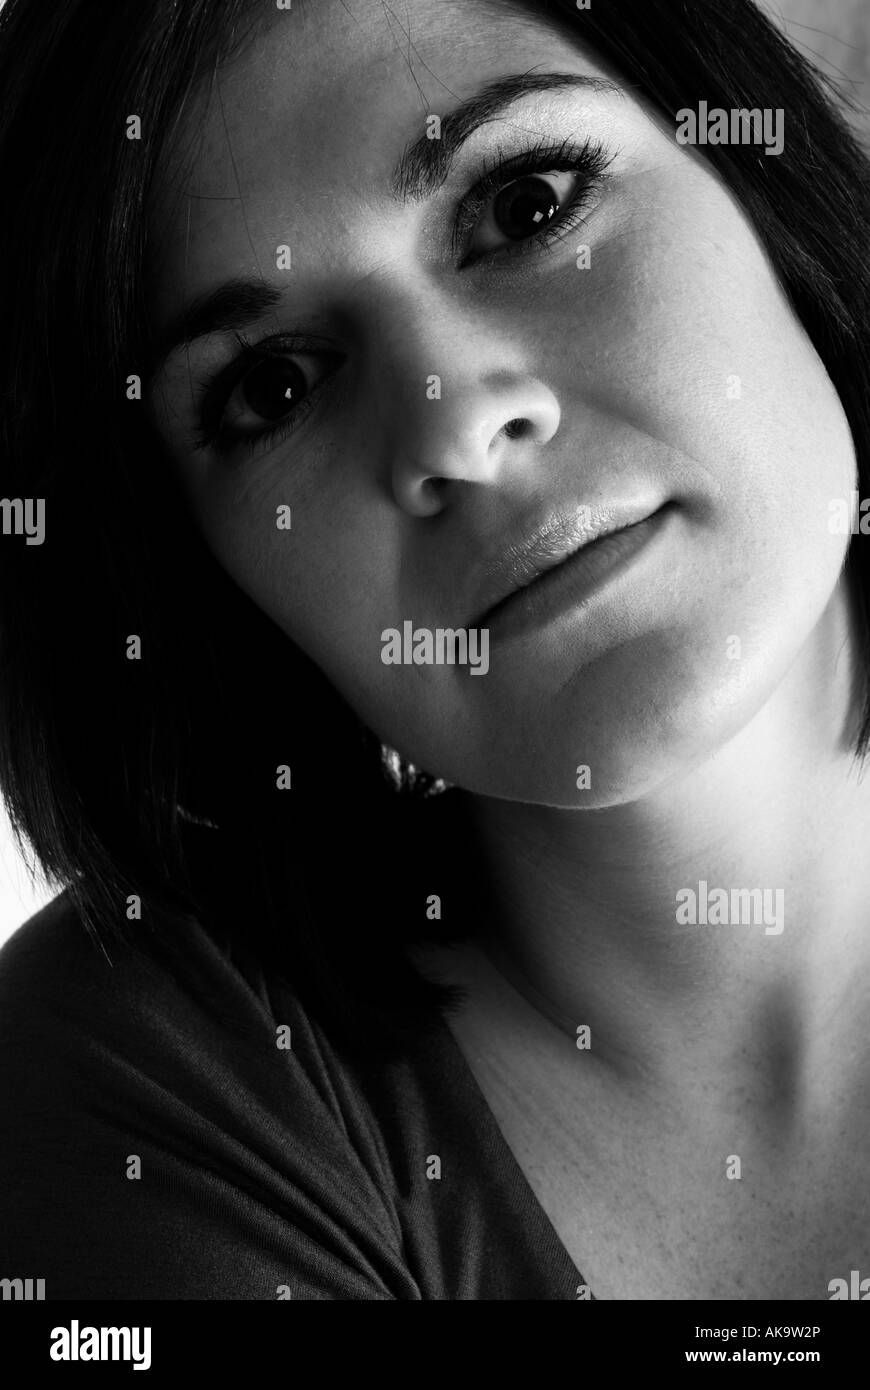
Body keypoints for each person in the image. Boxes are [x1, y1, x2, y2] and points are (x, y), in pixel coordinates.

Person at [1, 0, 869, 1301]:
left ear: (762, 178)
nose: (455, 424)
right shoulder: (143, 1070)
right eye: (273, 385)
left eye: (526, 204)